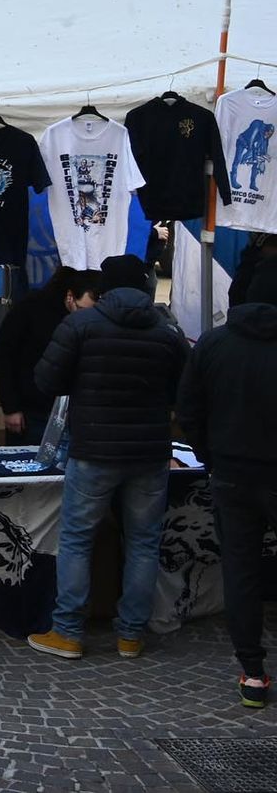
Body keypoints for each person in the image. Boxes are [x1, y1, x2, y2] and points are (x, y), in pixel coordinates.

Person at [27, 254, 188, 661]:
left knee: (78, 539)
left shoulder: (81, 324)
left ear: (105, 289)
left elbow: (47, 379)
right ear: (146, 285)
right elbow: (181, 391)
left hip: (94, 449)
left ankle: (67, 633)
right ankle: (131, 635)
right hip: (150, 451)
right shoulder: (167, 333)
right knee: (144, 542)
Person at [178, 262, 277, 707]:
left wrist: (208, 457)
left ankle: (252, 672)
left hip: (232, 471)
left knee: (241, 570)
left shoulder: (213, 345)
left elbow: (189, 410)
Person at [0, 268, 100, 438]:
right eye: (82, 309)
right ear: (70, 297)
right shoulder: (31, 307)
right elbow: (2, 355)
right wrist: (11, 407)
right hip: (33, 410)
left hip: (77, 412)